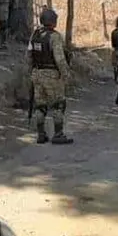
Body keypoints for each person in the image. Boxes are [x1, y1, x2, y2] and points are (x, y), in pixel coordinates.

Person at [27, 8, 73, 144]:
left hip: (37, 73)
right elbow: (59, 58)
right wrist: (66, 74)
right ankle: (58, 134)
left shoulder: (34, 35)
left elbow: (29, 56)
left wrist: (31, 72)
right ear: (52, 21)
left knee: (40, 105)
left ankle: (41, 134)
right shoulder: (54, 37)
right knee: (58, 104)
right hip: (52, 75)